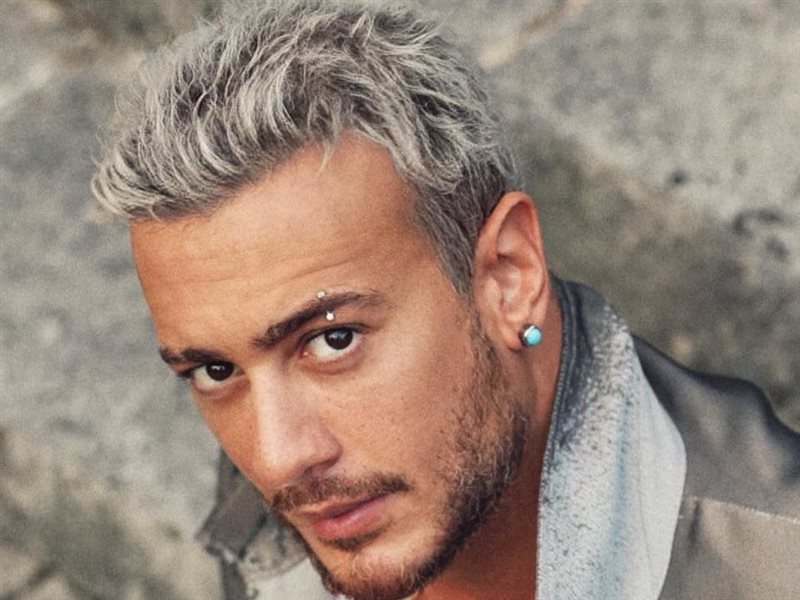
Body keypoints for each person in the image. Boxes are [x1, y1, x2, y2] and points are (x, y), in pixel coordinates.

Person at [91, 1, 799, 599]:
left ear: (509, 277)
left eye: (333, 339)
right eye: (213, 370)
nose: (274, 460)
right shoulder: (309, 452)